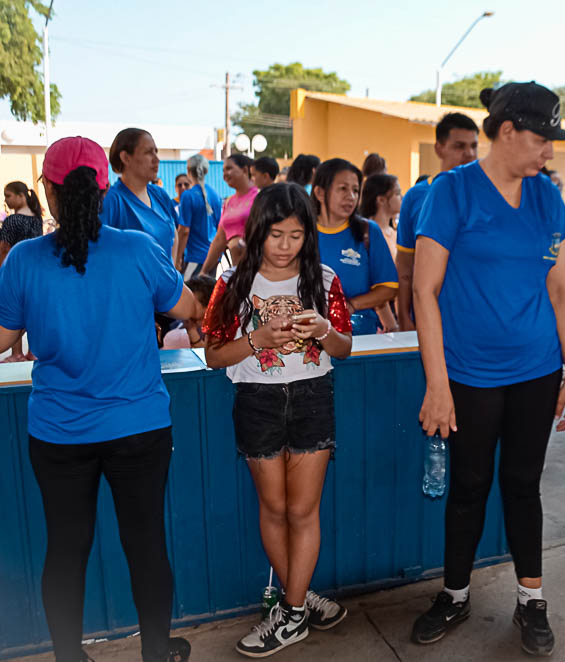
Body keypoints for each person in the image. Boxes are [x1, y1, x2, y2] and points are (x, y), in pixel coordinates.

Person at [0, 136, 196, 662]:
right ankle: (157, 654)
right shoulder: (138, 248)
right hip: (140, 428)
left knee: (66, 551)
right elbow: (186, 305)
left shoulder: (26, 260)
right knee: (145, 546)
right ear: (102, 190)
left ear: (48, 192)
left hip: (59, 435)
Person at [409, 82, 565, 657]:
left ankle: (532, 599)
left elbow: (560, 290)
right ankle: (454, 594)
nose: (549, 153)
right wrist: (437, 383)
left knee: (522, 485)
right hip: (469, 372)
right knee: (469, 486)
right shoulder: (451, 192)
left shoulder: (546, 198)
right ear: (507, 132)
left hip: (536, 368)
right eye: (542, 140)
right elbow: (424, 290)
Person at [202, 183, 352, 658]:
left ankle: (290, 615)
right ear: (257, 232)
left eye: (296, 235)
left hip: (312, 396)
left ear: (309, 235)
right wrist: (259, 339)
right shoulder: (232, 284)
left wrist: (325, 330)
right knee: (274, 510)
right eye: (276, 235)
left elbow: (344, 348)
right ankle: (299, 598)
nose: (286, 245)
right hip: (256, 399)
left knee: (304, 511)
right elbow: (212, 356)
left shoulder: (324, 279)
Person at [396, 112, 479, 331]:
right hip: (427, 317)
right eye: (459, 146)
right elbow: (405, 265)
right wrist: (404, 316)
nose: (469, 153)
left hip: (476, 318)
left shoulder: (487, 196)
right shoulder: (416, 196)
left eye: (474, 146)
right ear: (439, 148)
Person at [312, 158, 398, 335]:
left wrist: (351, 305)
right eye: (343, 189)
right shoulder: (302, 232)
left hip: (360, 335)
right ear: (320, 193)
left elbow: (388, 288)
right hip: (310, 338)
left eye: (355, 190)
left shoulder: (368, 232)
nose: (350, 197)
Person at [100, 128, 177, 258]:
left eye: (156, 152)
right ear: (125, 157)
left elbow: (174, 234)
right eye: (148, 152)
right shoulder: (112, 201)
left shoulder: (160, 195)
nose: (156, 159)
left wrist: (172, 271)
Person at [0, 181, 45, 362]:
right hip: (36, 272)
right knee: (33, 311)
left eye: (8, 195)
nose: (6, 200)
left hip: (16, 271)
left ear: (20, 196)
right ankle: (33, 351)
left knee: (16, 312)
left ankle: (16, 352)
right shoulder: (36, 218)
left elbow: (4, 248)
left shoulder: (12, 220)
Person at [203, 154, 258, 270]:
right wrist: (204, 271)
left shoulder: (259, 197)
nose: (225, 175)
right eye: (223, 170)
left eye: (229, 168)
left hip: (258, 270)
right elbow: (219, 239)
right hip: (237, 272)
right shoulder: (229, 202)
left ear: (244, 170)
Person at [175, 154, 221, 278]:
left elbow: (184, 231)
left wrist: (178, 258)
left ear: (188, 171)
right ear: (205, 171)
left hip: (196, 256)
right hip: (213, 256)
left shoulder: (188, 196)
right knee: (206, 295)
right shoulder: (215, 195)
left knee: (190, 294)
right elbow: (219, 227)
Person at [161, 275, 215, 350]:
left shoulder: (217, 330)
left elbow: (209, 357)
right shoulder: (177, 329)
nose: (185, 307)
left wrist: (192, 331)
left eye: (192, 305)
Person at [359, 172, 402, 258]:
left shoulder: (395, 233)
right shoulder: (367, 234)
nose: (401, 197)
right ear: (381, 200)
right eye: (397, 193)